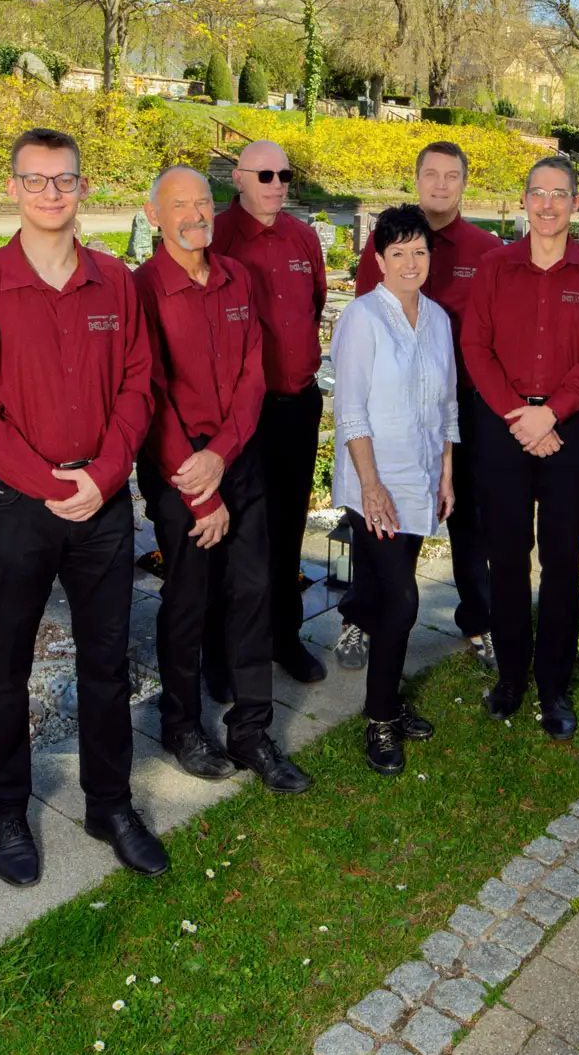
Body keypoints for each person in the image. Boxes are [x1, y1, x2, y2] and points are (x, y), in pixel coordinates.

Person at [0, 127, 167, 886]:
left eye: (63, 179)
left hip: (101, 504)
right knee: (5, 665)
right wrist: (46, 481)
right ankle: (6, 807)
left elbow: (137, 384)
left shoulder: (115, 282)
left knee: (107, 662)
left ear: (82, 188)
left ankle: (110, 804)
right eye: (35, 180)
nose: (50, 192)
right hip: (17, 505)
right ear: (13, 188)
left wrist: (104, 475)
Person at [134, 166, 311, 794]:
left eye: (203, 202)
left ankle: (251, 730)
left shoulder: (237, 277)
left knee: (255, 591)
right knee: (189, 599)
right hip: (177, 470)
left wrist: (224, 455)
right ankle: (181, 725)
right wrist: (198, 485)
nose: (194, 214)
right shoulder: (141, 290)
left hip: (238, 460)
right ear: (154, 217)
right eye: (179, 205)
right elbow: (149, 394)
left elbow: (252, 376)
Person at [462, 157, 579, 740]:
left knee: (561, 560)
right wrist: (519, 414)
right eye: (538, 193)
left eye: (559, 194)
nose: (548, 205)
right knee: (506, 557)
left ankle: (554, 685)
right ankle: (511, 676)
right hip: (504, 427)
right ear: (525, 200)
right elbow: (475, 347)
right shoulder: (494, 266)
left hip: (568, 430)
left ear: (576, 203)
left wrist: (552, 412)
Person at [351, 141, 497, 670]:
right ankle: (361, 617)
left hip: (463, 405)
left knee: (469, 517)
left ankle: (479, 619)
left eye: (451, 175)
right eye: (431, 174)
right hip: (393, 411)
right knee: (377, 515)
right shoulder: (387, 241)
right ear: (417, 180)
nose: (440, 184)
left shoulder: (486, 250)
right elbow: (366, 319)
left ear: (464, 183)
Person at [329, 204, 457, 774]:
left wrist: (446, 473)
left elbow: (446, 404)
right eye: (398, 252)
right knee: (402, 601)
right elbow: (350, 409)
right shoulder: (362, 317)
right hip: (375, 483)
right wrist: (371, 485)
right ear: (379, 259)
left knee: (392, 599)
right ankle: (380, 719)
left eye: (419, 251)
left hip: (420, 477)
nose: (410, 262)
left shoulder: (438, 319)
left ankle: (389, 698)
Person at [210, 138, 328, 685]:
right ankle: (224, 651)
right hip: (241, 413)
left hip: (297, 405)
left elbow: (315, 305)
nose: (277, 185)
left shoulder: (302, 237)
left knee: (287, 526)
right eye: (265, 175)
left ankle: (284, 636)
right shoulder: (217, 238)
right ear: (237, 178)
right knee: (232, 533)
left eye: (284, 175)